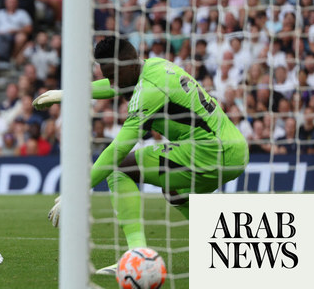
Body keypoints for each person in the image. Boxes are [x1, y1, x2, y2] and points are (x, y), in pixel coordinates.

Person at [34, 37, 248, 275]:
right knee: (174, 190)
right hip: (232, 150)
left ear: (128, 64)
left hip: (212, 152)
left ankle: (137, 256)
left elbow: (117, 150)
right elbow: (113, 86)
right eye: (107, 75)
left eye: (114, 74)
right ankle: (227, 242)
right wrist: (65, 93)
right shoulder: (153, 66)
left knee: (120, 168)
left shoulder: (149, 91)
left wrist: (76, 193)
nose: (112, 83)